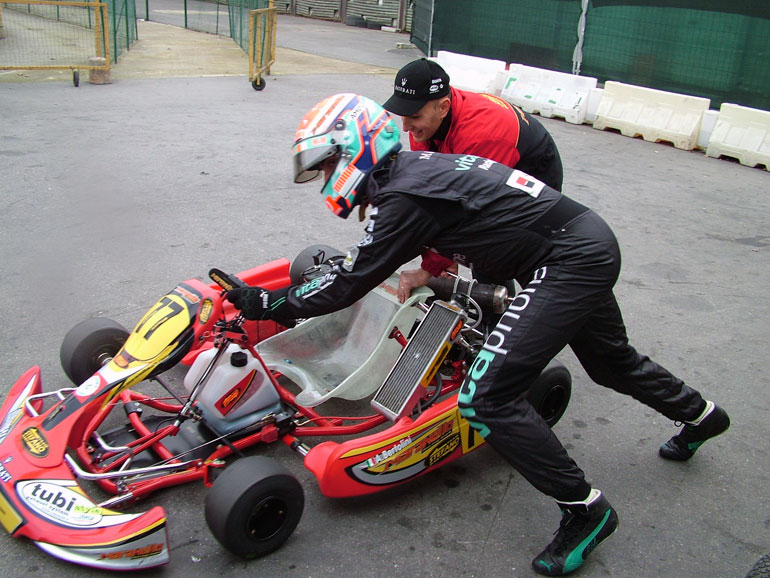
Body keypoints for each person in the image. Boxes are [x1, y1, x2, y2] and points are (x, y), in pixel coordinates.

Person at [226, 94, 731, 576]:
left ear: (357, 147)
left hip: (567, 259)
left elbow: (350, 282)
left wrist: (271, 303)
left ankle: (586, 511)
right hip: (581, 243)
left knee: (486, 397)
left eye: (330, 166)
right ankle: (702, 416)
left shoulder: (402, 194)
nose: (329, 181)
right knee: (610, 362)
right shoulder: (412, 174)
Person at [383, 57, 564, 296]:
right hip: (485, 156)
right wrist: (441, 260)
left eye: (414, 117)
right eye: (403, 115)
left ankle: (523, 310)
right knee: (470, 247)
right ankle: (496, 310)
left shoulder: (480, 134)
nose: (405, 127)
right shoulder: (427, 126)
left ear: (443, 107)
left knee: (499, 250)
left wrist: (428, 269)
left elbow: (464, 210)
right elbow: (425, 197)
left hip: (531, 168)